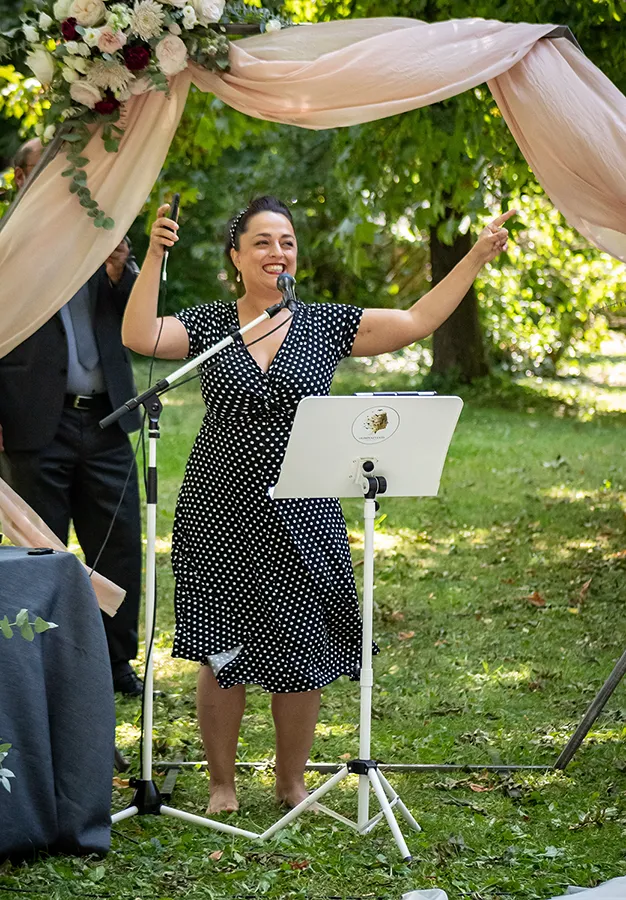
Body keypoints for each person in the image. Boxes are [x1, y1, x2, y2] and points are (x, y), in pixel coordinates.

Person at [121, 195, 515, 812]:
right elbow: (139, 335)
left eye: (287, 242)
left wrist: (475, 257)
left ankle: (290, 782)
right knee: (223, 652)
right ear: (236, 257)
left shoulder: (324, 324)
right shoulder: (212, 324)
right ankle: (222, 785)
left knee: (302, 649)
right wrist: (153, 255)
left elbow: (416, 320)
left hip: (304, 508)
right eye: (262, 242)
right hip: (218, 506)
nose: (277, 252)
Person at [0, 138, 144, 697]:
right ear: (20, 180)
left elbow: (139, 316)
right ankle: (42, 666)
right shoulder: (8, 246)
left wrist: (120, 271)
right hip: (34, 419)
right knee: (40, 551)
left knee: (120, 544)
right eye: (43, 169)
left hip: (108, 416)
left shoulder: (99, 232)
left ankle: (115, 663)